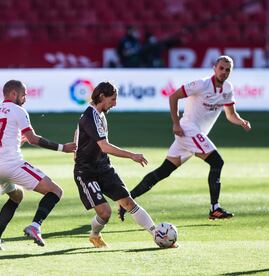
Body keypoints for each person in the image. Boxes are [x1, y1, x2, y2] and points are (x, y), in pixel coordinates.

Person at [119, 55, 252, 221]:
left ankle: (126, 201)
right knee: (217, 162)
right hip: (188, 130)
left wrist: (241, 122)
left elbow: (231, 114)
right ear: (214, 68)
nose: (224, 72)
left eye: (228, 70)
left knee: (163, 171)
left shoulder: (228, 88)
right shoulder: (201, 85)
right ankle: (214, 208)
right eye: (221, 68)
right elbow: (173, 96)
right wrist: (176, 123)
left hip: (195, 136)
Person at [0, 80, 76, 251]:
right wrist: (63, 148)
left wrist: (10, 143)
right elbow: (33, 139)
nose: (25, 98)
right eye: (24, 95)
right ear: (13, 94)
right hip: (12, 164)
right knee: (56, 191)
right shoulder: (18, 110)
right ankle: (35, 225)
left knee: (16, 197)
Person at [73, 81, 157, 248]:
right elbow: (104, 146)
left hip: (103, 167)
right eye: (113, 99)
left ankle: (157, 234)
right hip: (86, 172)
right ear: (102, 97)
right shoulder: (90, 116)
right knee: (105, 213)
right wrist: (132, 155)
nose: (115, 104)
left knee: (129, 203)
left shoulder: (100, 115)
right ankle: (95, 235)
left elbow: (81, 135)